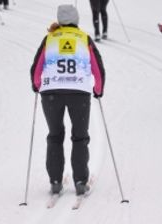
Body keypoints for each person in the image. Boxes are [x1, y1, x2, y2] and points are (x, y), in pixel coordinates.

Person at [30, 5, 105, 195]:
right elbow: (98, 68)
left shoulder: (49, 39)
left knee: (55, 136)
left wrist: (37, 85)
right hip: (78, 91)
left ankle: (55, 181)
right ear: (76, 19)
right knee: (80, 136)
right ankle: (80, 181)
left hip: (51, 93)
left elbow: (36, 69)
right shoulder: (83, 38)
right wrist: (98, 89)